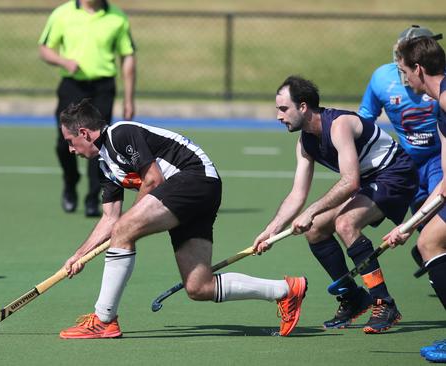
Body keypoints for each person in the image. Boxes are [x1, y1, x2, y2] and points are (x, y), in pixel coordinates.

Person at [56, 99, 307, 339]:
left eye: (70, 141)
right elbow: (110, 218)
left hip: (196, 178)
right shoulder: (105, 166)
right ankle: (286, 290)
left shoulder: (120, 134)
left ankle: (104, 320)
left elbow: (153, 180)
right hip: (186, 194)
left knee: (125, 229)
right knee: (199, 287)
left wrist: (127, 224)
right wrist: (80, 254)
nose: (70, 149)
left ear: (84, 132)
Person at [253, 76, 418, 334]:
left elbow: (350, 182)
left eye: (283, 109)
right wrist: (271, 230)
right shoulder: (305, 142)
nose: (278, 116)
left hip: (395, 174)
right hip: (369, 180)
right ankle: (353, 297)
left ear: (304, 106)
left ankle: (383, 301)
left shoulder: (339, 125)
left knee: (345, 223)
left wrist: (311, 210)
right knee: (315, 228)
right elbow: (298, 194)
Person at [38, 0, 136, 217]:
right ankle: (70, 181)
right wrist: (63, 61)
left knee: (98, 144)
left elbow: (127, 56)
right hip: (72, 86)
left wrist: (129, 99)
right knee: (64, 144)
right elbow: (44, 49)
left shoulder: (117, 17)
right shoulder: (62, 14)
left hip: (103, 88)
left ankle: (94, 198)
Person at [358, 25, 443, 276]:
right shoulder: (382, 78)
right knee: (424, 224)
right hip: (409, 164)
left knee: (437, 221)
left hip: (440, 157)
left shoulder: (440, 80)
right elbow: (365, 119)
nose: (399, 61)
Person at [383, 36, 446, 363]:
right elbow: (444, 186)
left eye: (405, 71)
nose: (404, 78)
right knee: (428, 241)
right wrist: (408, 226)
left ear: (419, 69)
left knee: (431, 243)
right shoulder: (440, 105)